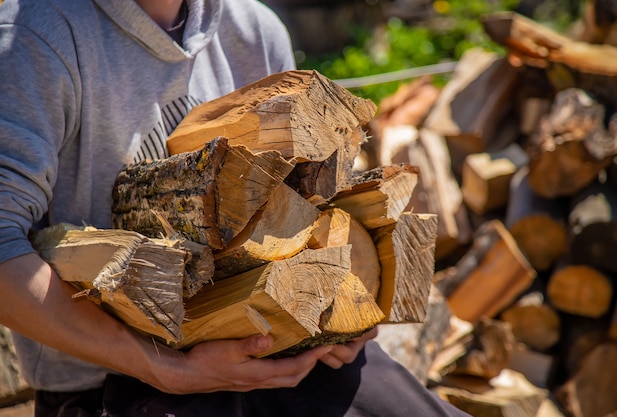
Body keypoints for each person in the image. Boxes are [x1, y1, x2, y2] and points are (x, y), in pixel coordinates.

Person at [0, 0, 470, 415]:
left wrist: (336, 320)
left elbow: (311, 209)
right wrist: (167, 368)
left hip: (287, 359)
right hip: (119, 384)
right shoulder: (35, 38)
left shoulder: (254, 30)